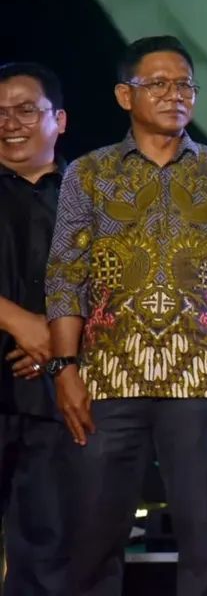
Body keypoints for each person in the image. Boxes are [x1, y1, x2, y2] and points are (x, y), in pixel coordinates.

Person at [45, 36, 207, 596]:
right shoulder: (90, 175)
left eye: (185, 84)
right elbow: (65, 276)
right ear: (125, 95)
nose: (175, 95)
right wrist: (65, 369)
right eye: (159, 84)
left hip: (198, 381)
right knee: (94, 540)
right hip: (107, 379)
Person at [0, 62, 70, 594]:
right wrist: (18, 320)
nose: (10, 122)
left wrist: (55, 339)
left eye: (26, 109)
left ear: (59, 120)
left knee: (47, 553)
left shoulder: (87, 195)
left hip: (55, 397)